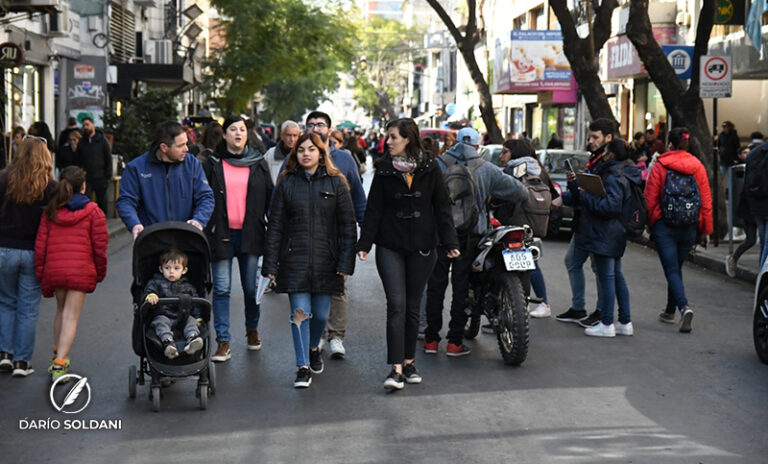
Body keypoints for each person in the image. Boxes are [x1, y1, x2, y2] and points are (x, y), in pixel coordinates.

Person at [357, 119, 459, 390]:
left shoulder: (430, 167)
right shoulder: (383, 169)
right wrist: (364, 243)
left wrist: (450, 242)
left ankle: (409, 361)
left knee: (413, 307)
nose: (387, 142)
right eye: (387, 137)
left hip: (423, 248)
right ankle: (396, 369)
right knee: (396, 305)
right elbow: (374, 209)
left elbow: (442, 208)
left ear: (408, 139)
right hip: (390, 246)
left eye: (393, 137)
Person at [263, 132, 356, 388]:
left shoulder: (337, 183)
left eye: (311, 149)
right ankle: (302, 366)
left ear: (321, 153)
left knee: (321, 316)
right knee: (299, 314)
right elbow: (275, 227)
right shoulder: (286, 183)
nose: (306, 153)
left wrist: (346, 263)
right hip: (294, 260)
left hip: (328, 261)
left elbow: (348, 227)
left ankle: (314, 346)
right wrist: (270, 264)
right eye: (301, 149)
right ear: (296, 154)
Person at [423, 127, 527, 357]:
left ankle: (430, 340)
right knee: (461, 288)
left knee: (436, 286)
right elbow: (520, 193)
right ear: (477, 146)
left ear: (454, 142)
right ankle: (454, 343)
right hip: (470, 237)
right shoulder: (487, 169)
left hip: (439, 236)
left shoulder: (437, 165)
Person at [203, 115, 274, 362]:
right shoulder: (213, 163)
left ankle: (252, 329)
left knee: (251, 288)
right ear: (224, 135)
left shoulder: (258, 163)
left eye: (241, 129)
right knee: (221, 289)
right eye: (232, 129)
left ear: (247, 134)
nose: (237, 133)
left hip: (251, 234)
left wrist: (275, 233)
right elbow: (203, 197)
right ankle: (223, 341)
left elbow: (269, 199)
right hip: (220, 233)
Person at [302, 111, 366, 359]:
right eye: (311, 124)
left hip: (338, 235)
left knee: (338, 286)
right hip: (306, 236)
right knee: (310, 287)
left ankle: (336, 335)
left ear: (330, 130)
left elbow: (358, 197)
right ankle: (316, 335)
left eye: (321, 124)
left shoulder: (345, 159)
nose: (316, 128)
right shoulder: (299, 158)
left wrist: (366, 236)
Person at [34, 166, 108, 381]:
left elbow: (41, 246)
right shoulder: (94, 212)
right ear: (83, 186)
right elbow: (99, 247)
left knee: (60, 311)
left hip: (55, 269)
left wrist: (41, 272)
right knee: (70, 315)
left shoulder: (51, 211)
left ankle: (57, 353)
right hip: (79, 270)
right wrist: (99, 272)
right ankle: (60, 364)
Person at [645, 127, 713, 333]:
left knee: (671, 269)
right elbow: (706, 200)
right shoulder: (697, 166)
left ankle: (684, 307)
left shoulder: (661, 165)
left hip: (665, 224)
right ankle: (670, 311)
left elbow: (650, 197)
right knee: (676, 268)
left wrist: (652, 222)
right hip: (690, 225)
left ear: (670, 144)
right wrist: (706, 229)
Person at [0, 137, 57, 377]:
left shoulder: (3, 179)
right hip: (34, 251)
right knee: (28, 309)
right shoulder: (50, 186)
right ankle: (22, 363)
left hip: (4, 248)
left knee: (5, 302)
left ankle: (5, 354)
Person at [554, 118, 617, 327]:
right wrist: (573, 186)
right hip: (585, 222)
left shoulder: (609, 165)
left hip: (598, 224)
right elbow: (586, 193)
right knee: (573, 261)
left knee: (603, 271)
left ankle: (603, 313)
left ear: (609, 138)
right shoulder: (596, 159)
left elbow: (602, 198)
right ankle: (579, 307)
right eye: (590, 136)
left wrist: (577, 191)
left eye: (595, 137)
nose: (591, 141)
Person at [574, 139, 638, 337]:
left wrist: (586, 196)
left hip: (605, 232)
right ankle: (624, 321)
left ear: (610, 154)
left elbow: (610, 206)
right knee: (616, 276)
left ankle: (607, 322)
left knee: (608, 277)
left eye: (606, 152)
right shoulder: (628, 172)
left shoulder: (613, 175)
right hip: (617, 231)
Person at [116, 121, 215, 239]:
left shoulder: (192, 164)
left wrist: (198, 220)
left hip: (187, 238)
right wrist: (134, 224)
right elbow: (126, 201)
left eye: (186, 143)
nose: (186, 149)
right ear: (164, 147)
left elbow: (206, 196)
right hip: (151, 240)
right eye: (180, 146)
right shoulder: (136, 168)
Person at [496, 139, 558, 318]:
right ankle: (542, 302)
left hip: (511, 224)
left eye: (505, 152)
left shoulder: (512, 170)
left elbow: (501, 196)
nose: (501, 156)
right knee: (531, 264)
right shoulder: (539, 170)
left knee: (508, 268)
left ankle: (512, 308)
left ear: (515, 154)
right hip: (531, 225)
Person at [143, 249, 204, 360]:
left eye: (176, 268)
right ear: (161, 269)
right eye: (167, 268)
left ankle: (192, 339)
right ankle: (168, 344)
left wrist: (198, 318)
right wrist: (151, 296)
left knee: (191, 322)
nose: (171, 272)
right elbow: (148, 291)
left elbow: (196, 304)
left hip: (182, 316)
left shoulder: (188, 287)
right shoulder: (155, 283)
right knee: (160, 322)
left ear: (184, 270)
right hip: (163, 314)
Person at [726, 148, 757, 277]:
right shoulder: (749, 172)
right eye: (745, 152)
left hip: (753, 211)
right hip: (750, 212)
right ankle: (733, 258)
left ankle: (733, 258)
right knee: (751, 240)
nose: (747, 154)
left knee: (752, 239)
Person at [75, 117, 112, 214]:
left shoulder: (102, 141)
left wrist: (108, 175)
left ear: (93, 125)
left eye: (87, 125)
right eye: (84, 125)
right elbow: (78, 159)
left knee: (102, 200)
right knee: (86, 200)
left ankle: (103, 218)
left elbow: (108, 157)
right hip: (87, 177)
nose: (85, 127)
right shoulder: (82, 142)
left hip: (100, 176)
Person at [744, 141, 768, 269]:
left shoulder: (753, 153)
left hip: (756, 203)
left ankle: (761, 273)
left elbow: (746, 181)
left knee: (764, 242)